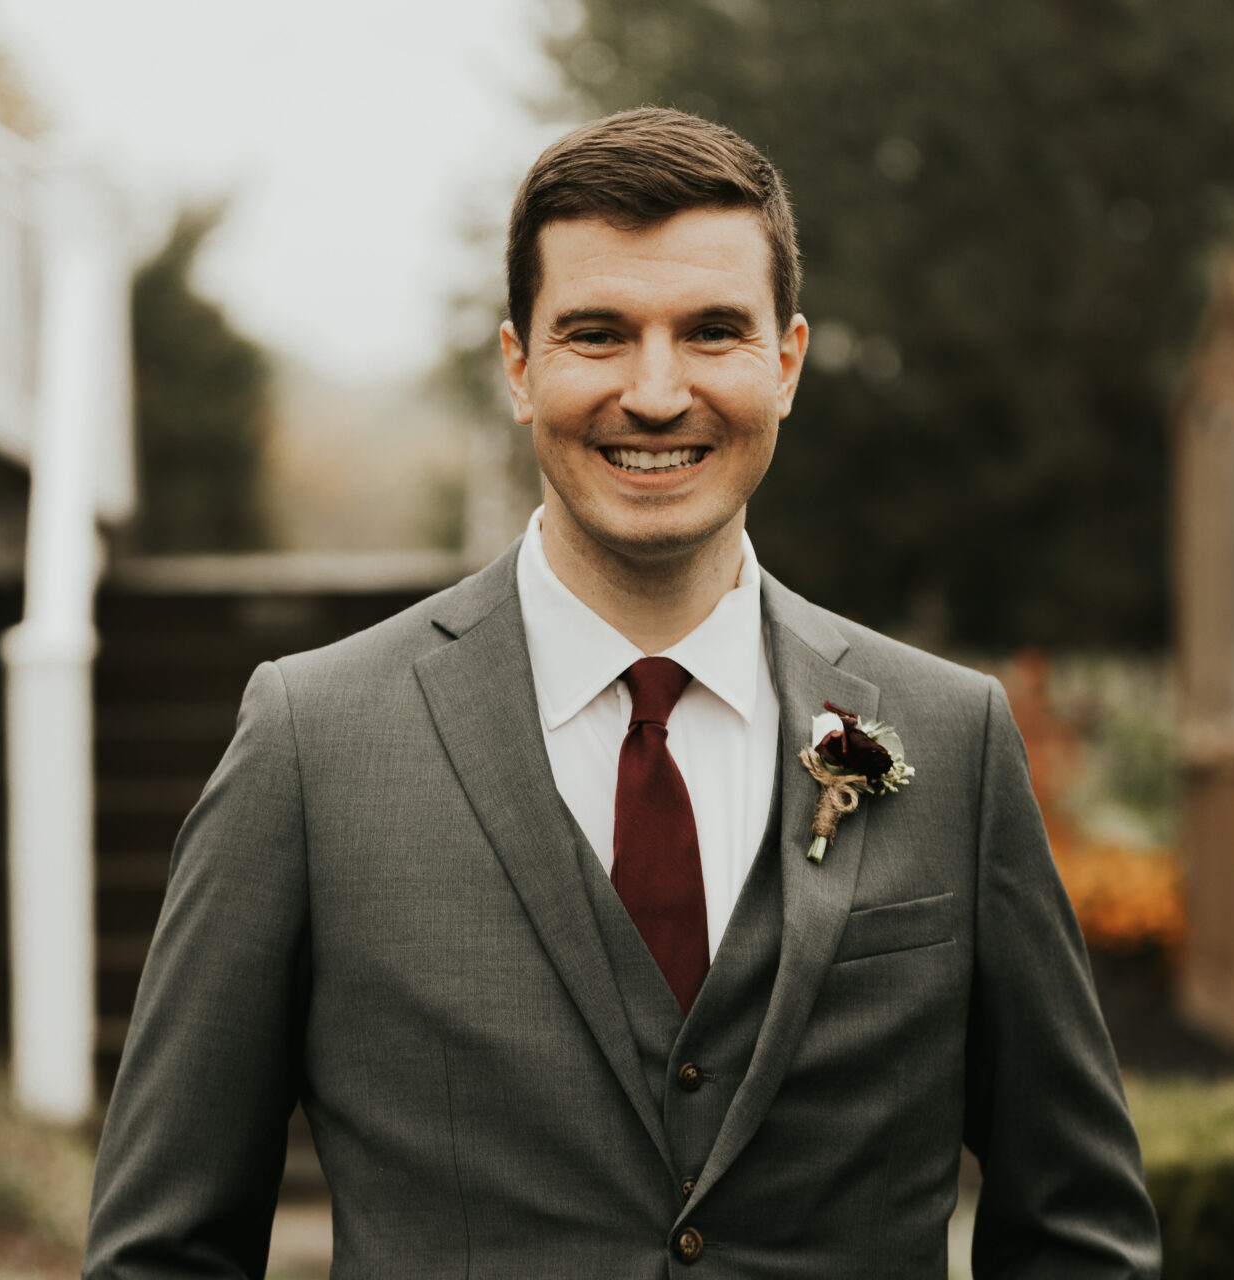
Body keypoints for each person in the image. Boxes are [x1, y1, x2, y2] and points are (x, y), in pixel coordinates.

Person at [83, 108, 1160, 1279]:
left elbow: (1079, 1233)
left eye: (711, 331)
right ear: (518, 366)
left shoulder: (950, 740)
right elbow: (164, 1250)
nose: (656, 394)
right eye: (598, 333)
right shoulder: (313, 741)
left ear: (786, 361)